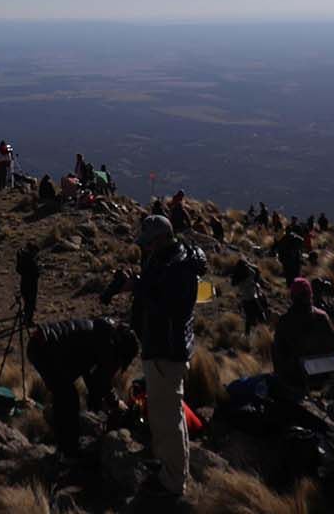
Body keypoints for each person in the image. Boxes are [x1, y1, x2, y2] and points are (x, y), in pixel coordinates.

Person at [129, 214, 205, 500]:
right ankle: (172, 469)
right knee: (169, 415)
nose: (146, 249)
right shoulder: (172, 262)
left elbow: (170, 310)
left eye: (149, 244)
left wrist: (139, 289)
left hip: (165, 351)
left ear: (161, 240)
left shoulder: (177, 268)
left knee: (167, 418)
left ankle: (173, 481)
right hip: (166, 349)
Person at [26, 317, 140, 457]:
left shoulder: (102, 332)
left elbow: (91, 376)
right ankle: (68, 452)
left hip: (42, 343)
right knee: (68, 398)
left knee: (65, 394)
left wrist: (100, 402)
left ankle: (64, 443)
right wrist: (116, 403)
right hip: (45, 349)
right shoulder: (109, 346)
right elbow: (101, 381)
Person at [271, 278, 334, 396]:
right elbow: (333, 347)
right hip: (325, 373)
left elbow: (279, 352)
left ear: (293, 297)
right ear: (310, 295)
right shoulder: (322, 317)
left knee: (274, 347)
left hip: (298, 377)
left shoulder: (285, 321)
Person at [16, 242, 42, 325]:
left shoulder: (23, 257)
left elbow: (19, 270)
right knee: (30, 304)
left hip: (24, 283)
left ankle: (25, 317)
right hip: (31, 285)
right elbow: (36, 274)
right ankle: (28, 321)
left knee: (26, 302)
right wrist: (39, 268)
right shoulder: (31, 261)